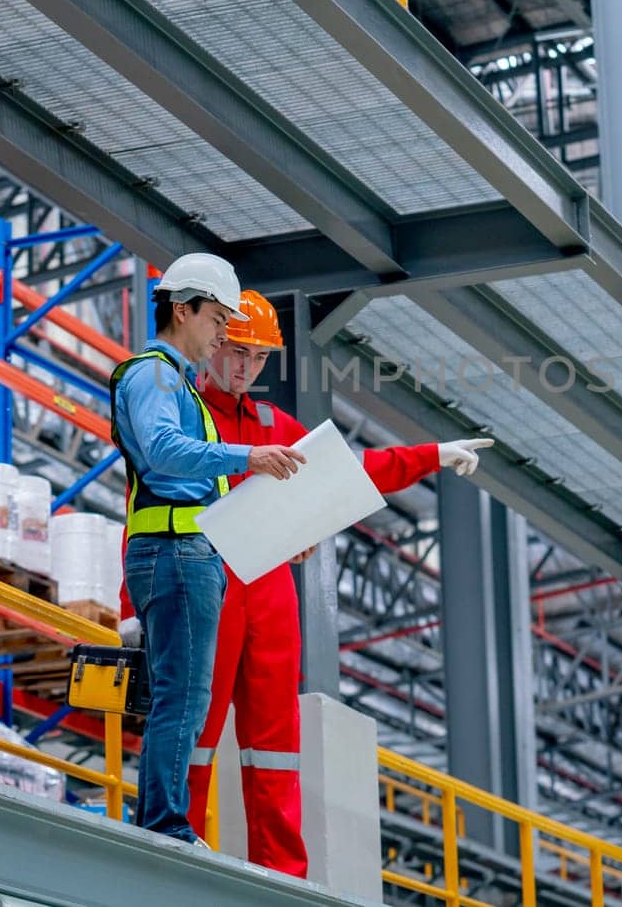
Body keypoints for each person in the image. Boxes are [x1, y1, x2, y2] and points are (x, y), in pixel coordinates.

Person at [184, 289, 492, 877]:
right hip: (207, 587)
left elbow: (349, 471)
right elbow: (142, 506)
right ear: (213, 341)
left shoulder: (276, 425)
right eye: (236, 350)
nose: (246, 366)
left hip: (270, 590)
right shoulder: (184, 418)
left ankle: (285, 880)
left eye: (259, 356)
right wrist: (132, 608)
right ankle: (175, 856)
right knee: (193, 731)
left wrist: (433, 454)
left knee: (274, 744)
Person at [110, 255, 306, 845]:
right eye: (218, 319)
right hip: (174, 553)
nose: (224, 333)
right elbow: (166, 453)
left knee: (186, 699)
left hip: (184, 552)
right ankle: (167, 825)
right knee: (185, 699)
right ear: (182, 310)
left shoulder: (177, 384)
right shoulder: (155, 375)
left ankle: (164, 821)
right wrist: (248, 457)